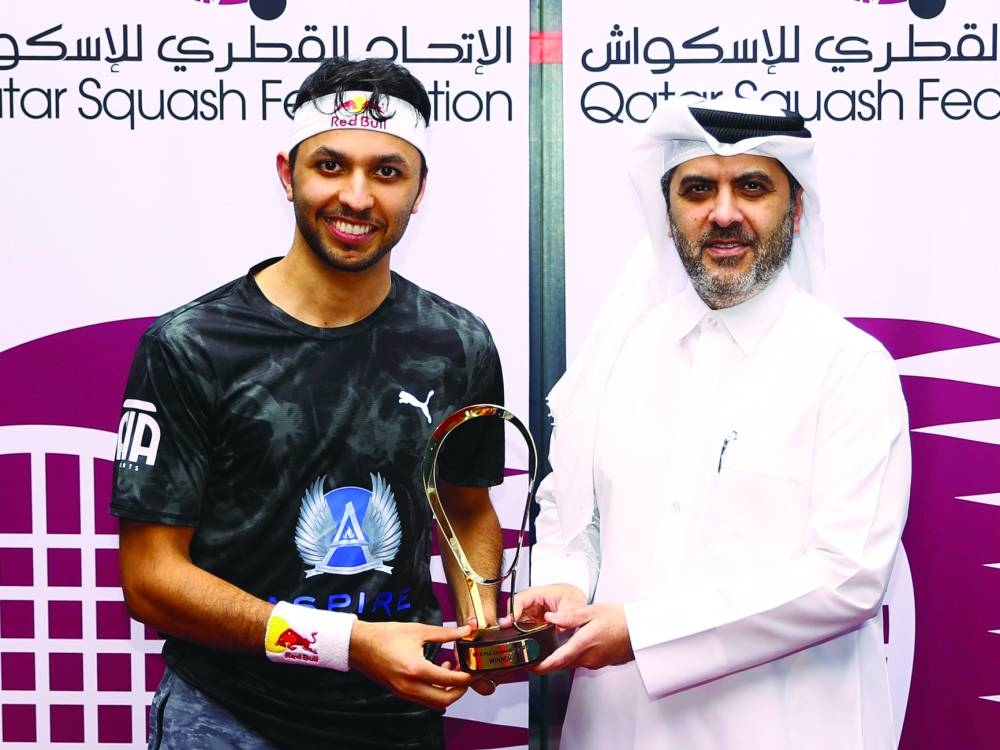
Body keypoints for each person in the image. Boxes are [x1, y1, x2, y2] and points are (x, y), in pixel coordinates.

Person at [111, 57, 505, 750]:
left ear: (419, 191)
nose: (357, 197)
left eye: (387, 172)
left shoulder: (456, 343)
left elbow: (466, 507)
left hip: (394, 720)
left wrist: (479, 623)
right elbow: (150, 580)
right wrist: (347, 642)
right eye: (330, 165)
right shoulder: (191, 345)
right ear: (286, 173)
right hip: (230, 718)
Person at [513, 97, 911, 749]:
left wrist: (643, 633)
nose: (723, 213)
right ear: (669, 219)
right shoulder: (618, 353)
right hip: (618, 728)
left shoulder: (848, 367)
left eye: (752, 186)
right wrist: (562, 580)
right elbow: (574, 514)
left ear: (797, 208)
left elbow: (847, 577)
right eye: (698, 188)